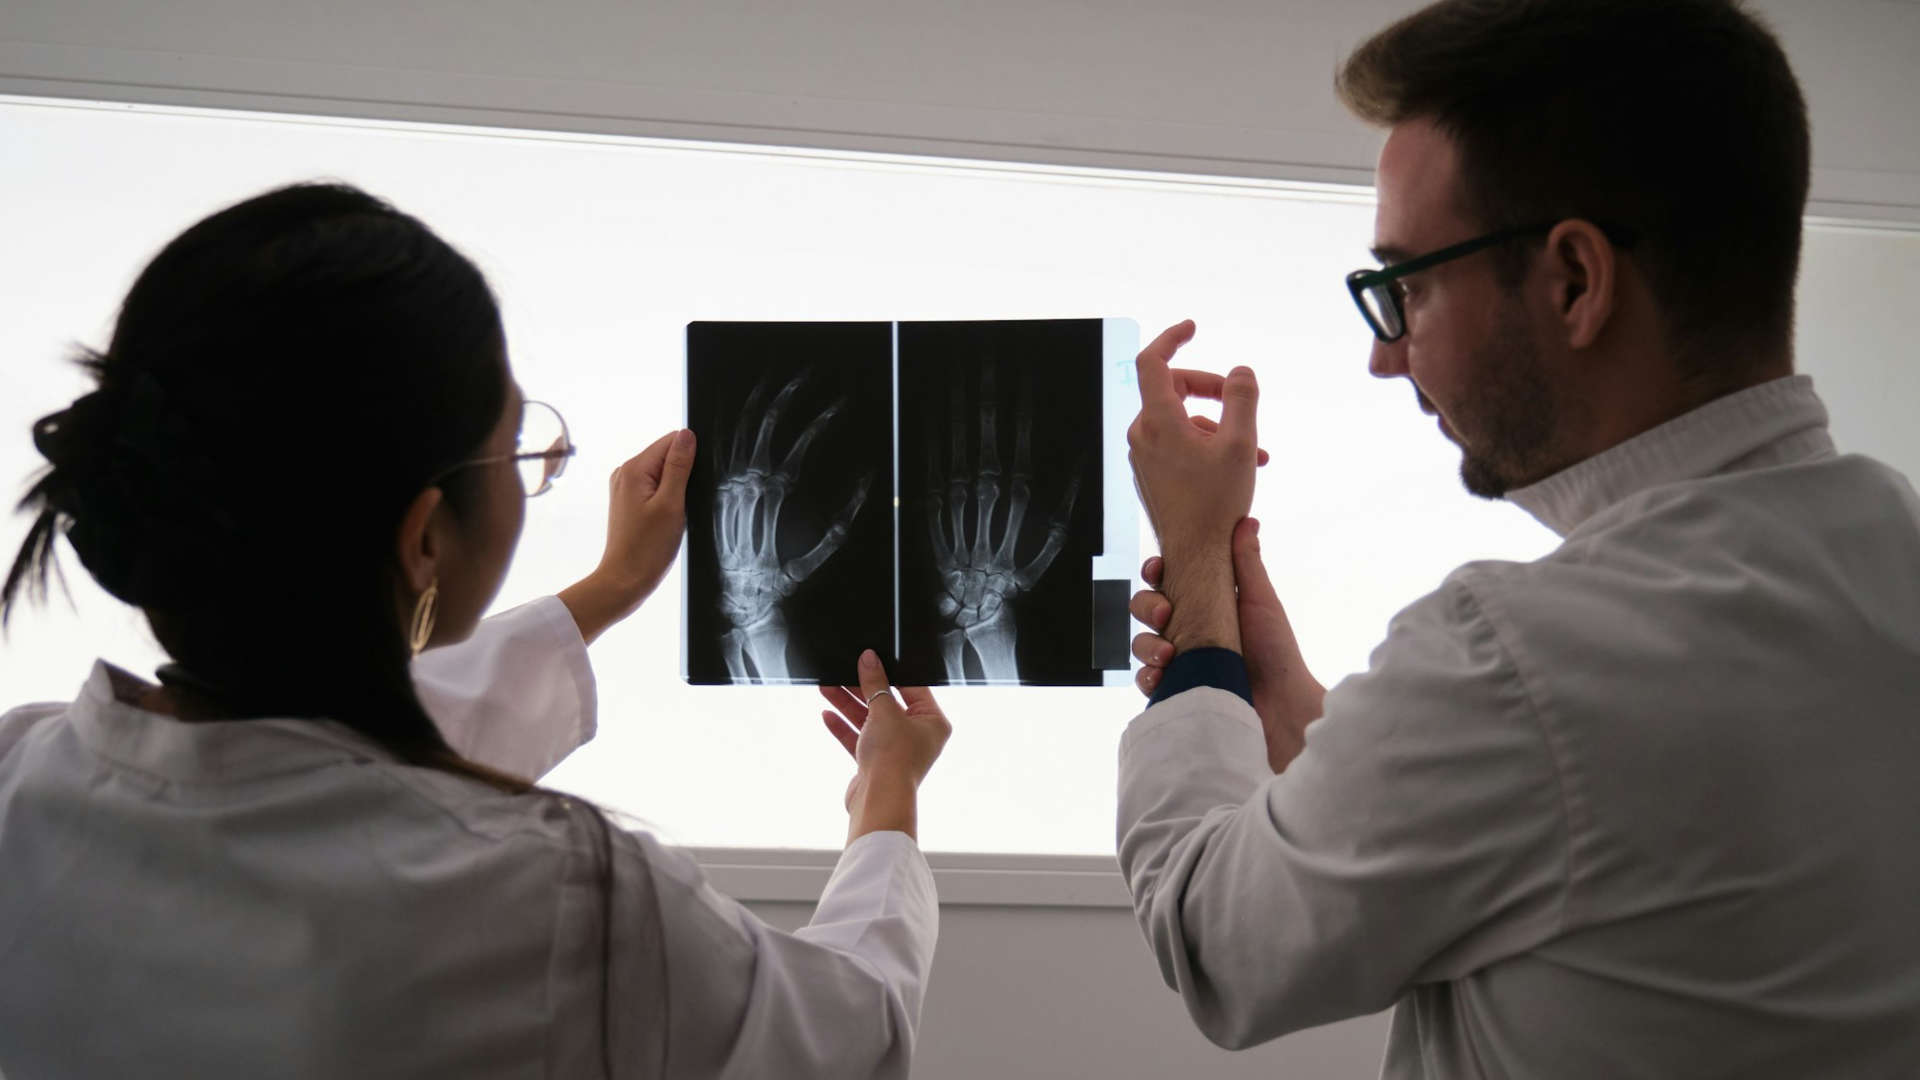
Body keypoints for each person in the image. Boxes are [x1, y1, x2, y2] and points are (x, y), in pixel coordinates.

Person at [1117, 1, 1920, 1076]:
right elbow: (1558, 822)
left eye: (1405, 287)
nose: (1386, 360)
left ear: (1574, 281)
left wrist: (1200, 584)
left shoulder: (1522, 658)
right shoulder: (1889, 557)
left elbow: (1218, 942)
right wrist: (1280, 700)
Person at [0, 182, 951, 1079]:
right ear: (423, 535)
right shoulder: (571, 899)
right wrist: (887, 799)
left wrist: (611, 588)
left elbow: (314, 770)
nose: (530, 474)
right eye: (517, 448)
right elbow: (850, 1034)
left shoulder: (19, 771)